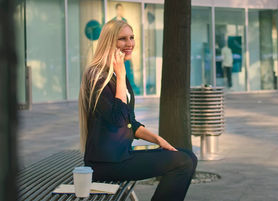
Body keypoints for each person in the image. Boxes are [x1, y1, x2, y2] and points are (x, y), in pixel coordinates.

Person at [79, 20, 197, 201]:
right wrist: (120, 75)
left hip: (122, 155)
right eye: (122, 39)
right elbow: (118, 119)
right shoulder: (97, 76)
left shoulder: (117, 74)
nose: (130, 44)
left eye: (132, 37)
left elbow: (130, 122)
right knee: (183, 163)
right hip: (106, 163)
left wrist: (158, 140)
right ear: (110, 42)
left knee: (189, 156)